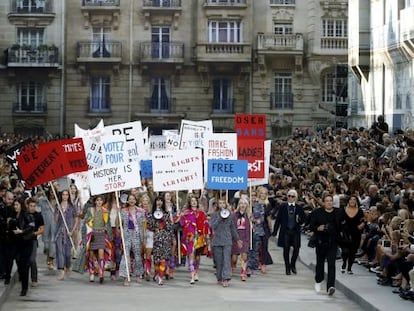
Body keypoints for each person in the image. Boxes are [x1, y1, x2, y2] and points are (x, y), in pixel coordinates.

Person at [309, 194, 340, 296]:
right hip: (320, 241)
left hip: (332, 242)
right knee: (320, 263)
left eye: (331, 200)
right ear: (323, 202)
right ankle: (318, 280)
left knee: (331, 264)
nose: (329, 202)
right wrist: (318, 228)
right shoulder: (317, 212)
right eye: (327, 200)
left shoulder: (337, 212)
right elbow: (311, 226)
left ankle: (331, 286)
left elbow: (341, 226)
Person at [210, 198, 242, 287]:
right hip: (217, 241)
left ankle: (226, 278)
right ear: (218, 205)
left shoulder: (230, 215)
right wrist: (220, 217)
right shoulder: (215, 215)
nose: (222, 205)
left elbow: (232, 228)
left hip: (227, 240)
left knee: (227, 260)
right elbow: (213, 226)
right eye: (220, 203)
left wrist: (237, 239)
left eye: (223, 203)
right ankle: (219, 277)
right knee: (219, 261)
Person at [273, 189, 305, 275]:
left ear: (296, 198)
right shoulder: (283, 206)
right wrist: (275, 231)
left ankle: (293, 264)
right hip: (285, 230)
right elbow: (278, 219)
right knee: (286, 249)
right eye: (289, 196)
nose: (290, 198)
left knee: (296, 248)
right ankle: (287, 267)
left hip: (295, 231)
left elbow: (303, 220)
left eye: (293, 196)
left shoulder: (299, 208)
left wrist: (300, 220)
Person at [7, 197, 35, 296]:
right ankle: (22, 281)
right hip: (17, 243)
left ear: (21, 205)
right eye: (14, 205)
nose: (15, 207)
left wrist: (22, 231)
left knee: (25, 265)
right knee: (19, 264)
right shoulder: (13, 215)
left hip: (26, 243)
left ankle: (24, 288)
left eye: (17, 205)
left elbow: (31, 227)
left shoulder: (27, 215)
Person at [84, 194, 113, 283]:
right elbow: (86, 222)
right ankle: (92, 272)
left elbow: (108, 224)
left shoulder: (106, 211)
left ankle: (101, 273)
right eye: (97, 200)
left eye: (101, 200)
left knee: (101, 254)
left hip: (101, 234)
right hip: (92, 234)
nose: (99, 202)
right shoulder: (90, 210)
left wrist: (110, 236)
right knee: (91, 255)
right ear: (95, 201)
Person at [119, 193, 145, 286]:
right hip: (126, 235)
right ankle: (126, 276)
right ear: (127, 200)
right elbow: (119, 223)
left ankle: (139, 273)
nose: (131, 201)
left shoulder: (141, 211)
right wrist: (119, 213)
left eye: (133, 199)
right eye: (130, 199)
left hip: (137, 235)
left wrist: (143, 238)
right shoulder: (123, 211)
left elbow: (143, 225)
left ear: (136, 200)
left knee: (137, 255)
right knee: (125, 255)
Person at [147, 195, 173, 286]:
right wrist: (155, 219)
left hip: (165, 237)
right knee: (157, 259)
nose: (159, 202)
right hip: (156, 237)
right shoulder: (151, 214)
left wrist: (164, 220)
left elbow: (170, 227)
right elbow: (149, 226)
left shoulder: (166, 214)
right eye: (157, 200)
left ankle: (161, 277)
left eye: (161, 201)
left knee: (162, 259)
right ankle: (157, 273)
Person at [54, 189, 79, 281]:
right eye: (63, 195)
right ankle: (61, 270)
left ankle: (68, 265)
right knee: (59, 252)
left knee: (67, 254)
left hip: (68, 232)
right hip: (59, 231)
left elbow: (76, 219)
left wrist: (72, 231)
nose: (65, 196)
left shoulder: (72, 207)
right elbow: (56, 220)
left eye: (66, 195)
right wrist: (58, 211)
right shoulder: (57, 205)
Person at [337, 195, 365, 274]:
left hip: (356, 233)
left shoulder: (359, 211)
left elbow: (363, 220)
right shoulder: (343, 210)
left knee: (352, 251)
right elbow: (339, 221)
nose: (352, 201)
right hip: (345, 233)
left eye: (354, 199)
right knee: (345, 251)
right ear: (348, 201)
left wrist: (362, 224)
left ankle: (349, 268)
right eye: (351, 199)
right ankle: (344, 263)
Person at [251, 186, 273, 273]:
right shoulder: (254, 203)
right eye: (261, 193)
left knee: (264, 246)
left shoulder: (268, 204)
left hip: (265, 227)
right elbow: (251, 215)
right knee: (255, 246)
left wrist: (271, 228)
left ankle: (264, 264)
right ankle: (255, 262)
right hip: (256, 227)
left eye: (265, 193)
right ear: (258, 194)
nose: (263, 195)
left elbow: (269, 217)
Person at [231, 197, 251, 281]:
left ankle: (243, 272)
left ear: (247, 205)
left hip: (245, 236)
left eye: (244, 203)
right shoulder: (234, 215)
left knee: (244, 256)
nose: (243, 205)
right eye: (241, 203)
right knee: (234, 257)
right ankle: (232, 265)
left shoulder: (248, 215)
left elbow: (249, 227)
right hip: (236, 236)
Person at [27, 197, 44, 287]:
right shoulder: (24, 215)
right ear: (27, 206)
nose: (32, 208)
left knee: (32, 260)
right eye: (31, 206)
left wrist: (34, 233)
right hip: (23, 241)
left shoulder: (38, 216)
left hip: (33, 240)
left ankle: (34, 279)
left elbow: (42, 229)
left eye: (34, 206)